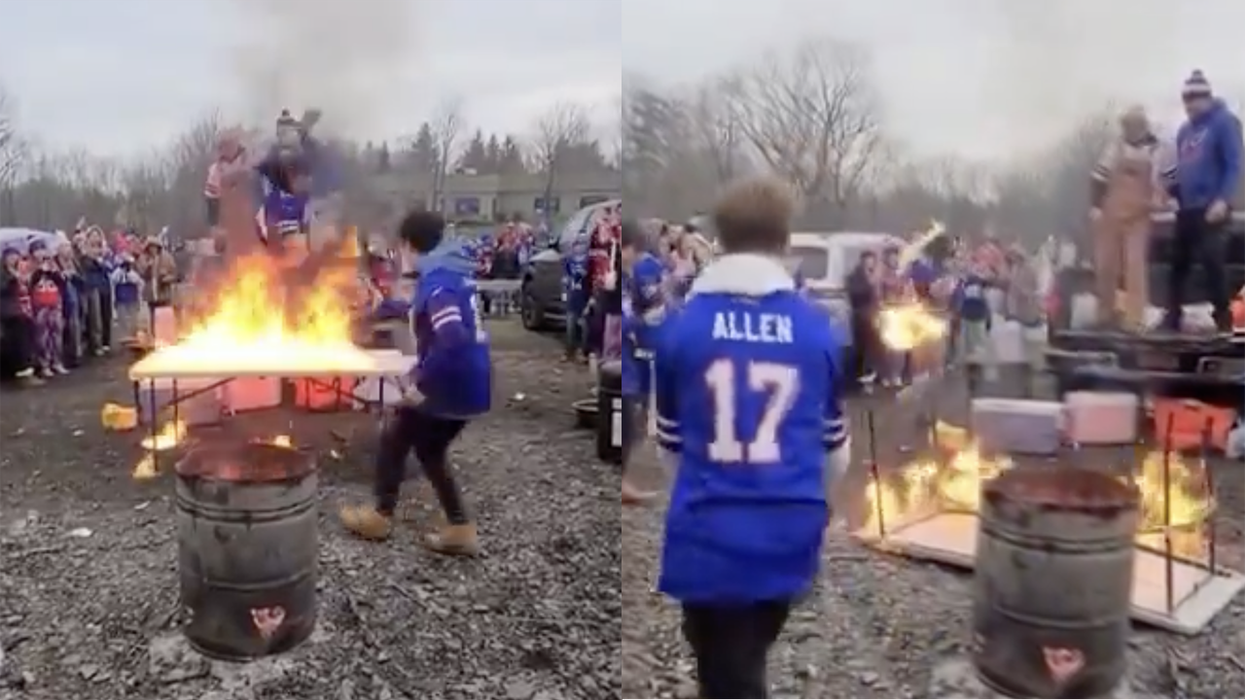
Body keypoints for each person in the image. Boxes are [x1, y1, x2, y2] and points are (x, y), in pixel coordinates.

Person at [650, 177, 849, 700]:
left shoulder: (682, 328)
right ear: (785, 241)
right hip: (789, 529)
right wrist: (811, 501)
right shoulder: (817, 329)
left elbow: (669, 446)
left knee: (726, 667)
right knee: (749, 649)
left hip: (709, 531)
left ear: (719, 239)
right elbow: (835, 450)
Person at [339, 209, 491, 556]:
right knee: (427, 448)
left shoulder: (437, 282)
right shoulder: (451, 273)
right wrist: (377, 311)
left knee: (396, 435)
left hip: (450, 382)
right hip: (473, 381)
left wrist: (419, 385)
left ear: (407, 244)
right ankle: (460, 528)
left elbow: (451, 337)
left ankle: (380, 516)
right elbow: (418, 308)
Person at [1164, 70, 1243, 332]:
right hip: (1188, 208)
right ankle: (1172, 315)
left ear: (1206, 98)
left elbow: (1234, 164)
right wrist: (1171, 192)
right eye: (1185, 100)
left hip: (1213, 206)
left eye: (1194, 99)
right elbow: (1181, 167)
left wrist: (1223, 199)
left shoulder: (1224, 122)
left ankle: (1222, 316)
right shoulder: (1185, 130)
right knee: (1178, 264)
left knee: (1212, 260)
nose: (1189, 105)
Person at [1090, 106, 1171, 329]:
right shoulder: (1114, 148)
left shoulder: (1155, 149)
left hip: (1139, 216)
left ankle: (1134, 318)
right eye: (1126, 125)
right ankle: (1104, 314)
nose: (1129, 130)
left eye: (1133, 125)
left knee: (1135, 266)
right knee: (1106, 265)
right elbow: (1098, 178)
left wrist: (1163, 201)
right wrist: (1096, 207)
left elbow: (1162, 181)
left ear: (1142, 126)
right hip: (1111, 214)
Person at [619, 220, 662, 506]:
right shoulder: (621, 278)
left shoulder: (628, 277)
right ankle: (622, 482)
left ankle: (624, 480)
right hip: (623, 361)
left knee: (632, 421)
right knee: (628, 420)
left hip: (631, 358)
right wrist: (638, 323)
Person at [846, 250, 881, 387]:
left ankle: (871, 376)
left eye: (872, 260)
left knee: (873, 348)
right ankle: (859, 378)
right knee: (861, 348)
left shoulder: (875, 275)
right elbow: (854, 295)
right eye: (868, 260)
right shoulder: (854, 277)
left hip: (874, 316)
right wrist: (869, 285)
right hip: (860, 316)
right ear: (862, 261)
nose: (870, 263)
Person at [562, 238, 590, 362]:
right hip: (572, 297)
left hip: (584, 298)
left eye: (581, 245)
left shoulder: (589, 261)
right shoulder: (568, 260)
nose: (579, 248)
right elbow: (565, 276)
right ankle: (569, 352)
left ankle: (583, 352)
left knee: (584, 328)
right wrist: (564, 290)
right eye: (577, 245)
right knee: (570, 327)